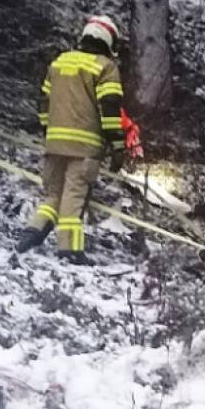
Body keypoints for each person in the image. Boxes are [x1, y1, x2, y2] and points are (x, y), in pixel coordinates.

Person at [15, 14, 127, 264]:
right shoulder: (105, 67)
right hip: (85, 148)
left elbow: (43, 101)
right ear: (109, 41)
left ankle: (32, 232)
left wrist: (49, 131)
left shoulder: (59, 63)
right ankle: (70, 251)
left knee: (53, 194)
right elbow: (110, 108)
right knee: (74, 197)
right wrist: (118, 144)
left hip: (54, 144)